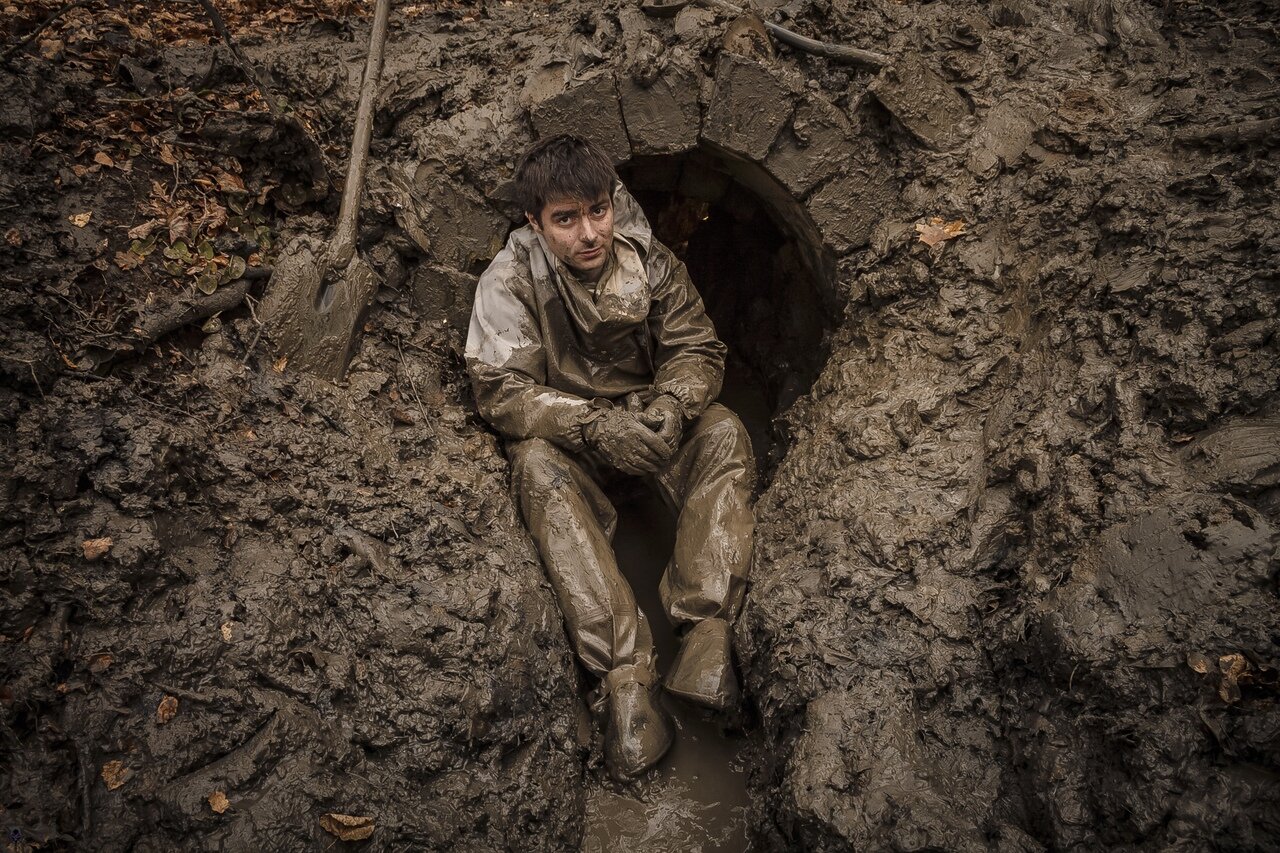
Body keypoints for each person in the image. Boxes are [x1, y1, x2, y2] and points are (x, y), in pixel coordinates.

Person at [464, 135, 756, 781]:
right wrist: (594, 425)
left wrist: (675, 404)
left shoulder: (650, 261)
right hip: (577, 450)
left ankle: (708, 632)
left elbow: (698, 347)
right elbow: (502, 392)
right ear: (535, 222)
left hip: (655, 432)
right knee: (533, 467)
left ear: (613, 203)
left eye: (598, 210)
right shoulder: (508, 281)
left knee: (724, 430)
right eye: (566, 219)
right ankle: (626, 676)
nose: (589, 232)